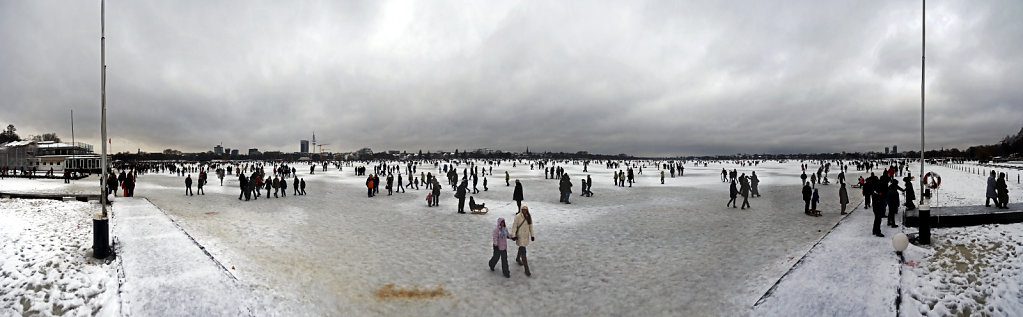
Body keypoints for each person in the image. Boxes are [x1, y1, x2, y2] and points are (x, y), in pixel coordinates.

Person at [510, 205, 535, 277]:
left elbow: (531, 226)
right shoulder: (518, 217)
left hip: (526, 236)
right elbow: (514, 226)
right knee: (523, 249)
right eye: (523, 210)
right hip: (520, 236)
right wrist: (513, 235)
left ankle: (518, 258)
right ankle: (526, 269)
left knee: (522, 247)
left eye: (525, 210)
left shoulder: (528, 216)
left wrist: (532, 235)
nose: (524, 211)